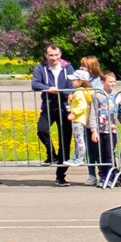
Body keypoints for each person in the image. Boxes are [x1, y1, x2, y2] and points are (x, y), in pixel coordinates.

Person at [30, 43, 78, 184]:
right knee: (42, 129)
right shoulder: (41, 68)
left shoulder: (67, 67)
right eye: (51, 55)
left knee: (65, 141)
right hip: (49, 105)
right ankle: (51, 154)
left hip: (64, 107)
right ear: (46, 55)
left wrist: (67, 93)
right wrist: (48, 88)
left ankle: (60, 176)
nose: (54, 58)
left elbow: (72, 85)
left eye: (56, 55)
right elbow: (35, 84)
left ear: (60, 55)